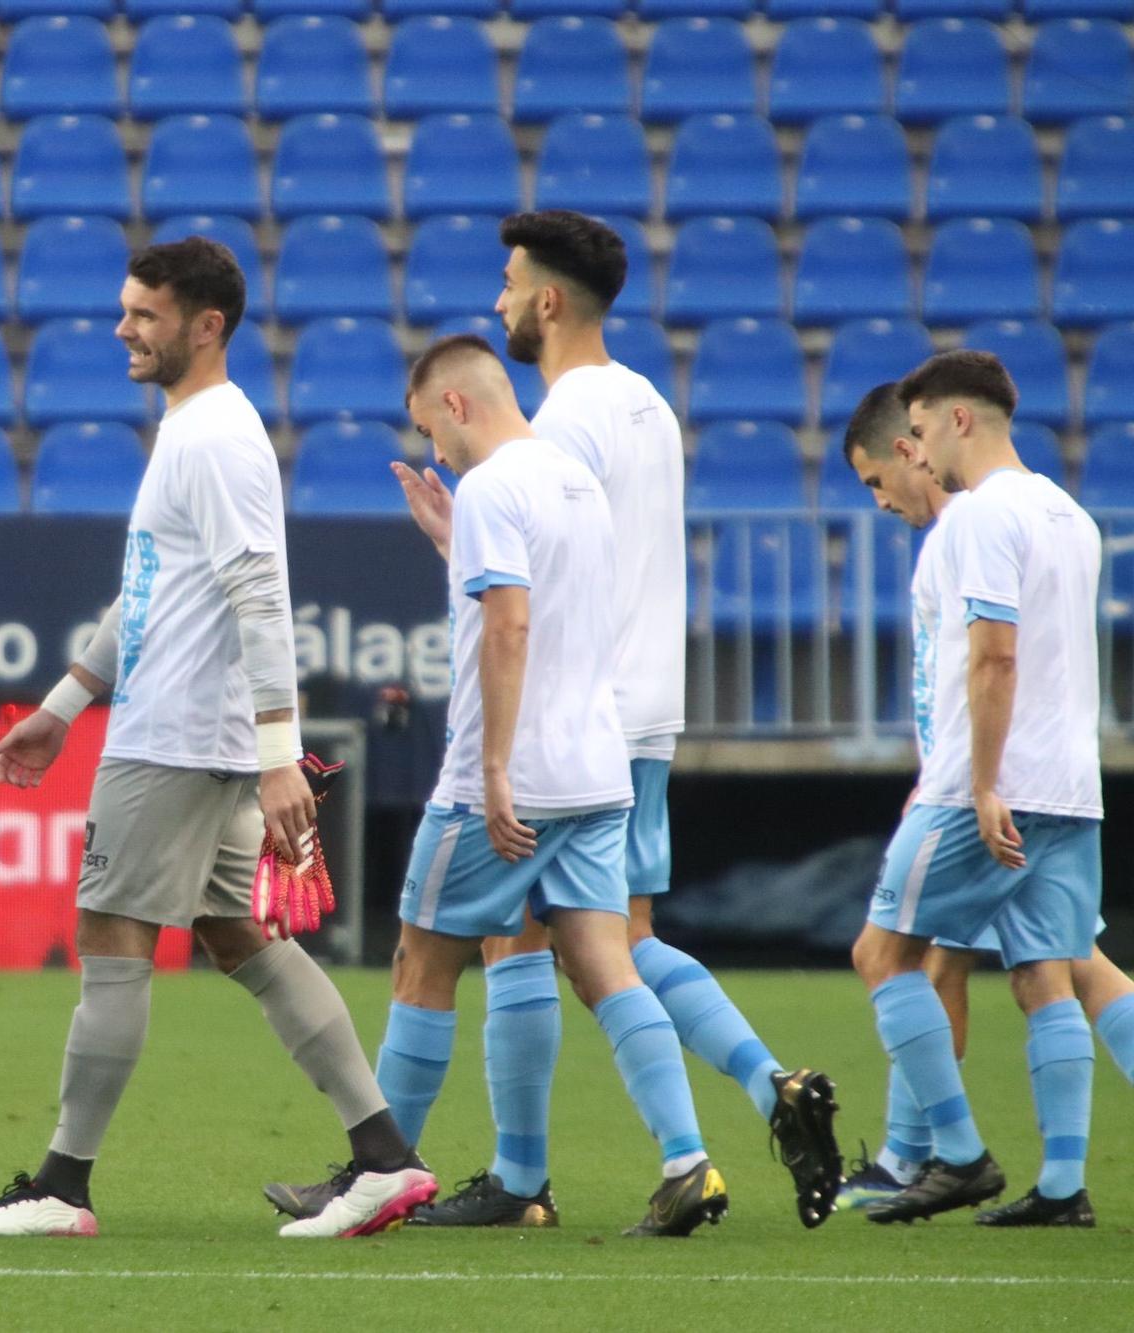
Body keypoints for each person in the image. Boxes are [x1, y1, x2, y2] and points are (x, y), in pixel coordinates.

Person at [272, 211, 840, 1229]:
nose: (496, 303)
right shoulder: (649, 408)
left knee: (506, 948)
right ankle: (744, 1102)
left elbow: (524, 603)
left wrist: (469, 571)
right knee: (604, 942)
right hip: (634, 724)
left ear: (545, 299)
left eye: (505, 284)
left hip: (561, 714)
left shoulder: (552, 428)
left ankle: (509, 1175)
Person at [0, 237, 436, 1241]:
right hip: (186, 730)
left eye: (143, 313)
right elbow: (148, 596)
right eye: (123, 309)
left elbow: (258, 593)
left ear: (205, 325)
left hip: (174, 737)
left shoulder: (212, 438)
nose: (122, 327)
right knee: (240, 935)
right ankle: (383, 1157)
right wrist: (62, 705)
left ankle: (60, 1189)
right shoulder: (194, 430)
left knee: (109, 938)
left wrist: (277, 749)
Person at [365, 334, 729, 1235]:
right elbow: (564, 609)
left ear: (454, 405)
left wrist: (492, 766)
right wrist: (457, 544)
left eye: (428, 430)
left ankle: (375, 1175)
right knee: (607, 966)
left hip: (513, 773)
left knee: (421, 960)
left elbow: (513, 629)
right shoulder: (575, 483)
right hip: (597, 768)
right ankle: (688, 1160)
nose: (433, 454)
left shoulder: (491, 485)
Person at [842, 371, 1122, 1227]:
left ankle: (955, 1156)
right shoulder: (1067, 514)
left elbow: (990, 657)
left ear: (958, 419)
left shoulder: (978, 517)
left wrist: (979, 781)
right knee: (1049, 974)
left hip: (985, 784)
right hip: (1069, 782)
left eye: (922, 428)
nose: (916, 448)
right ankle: (1064, 1186)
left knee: (883, 956)